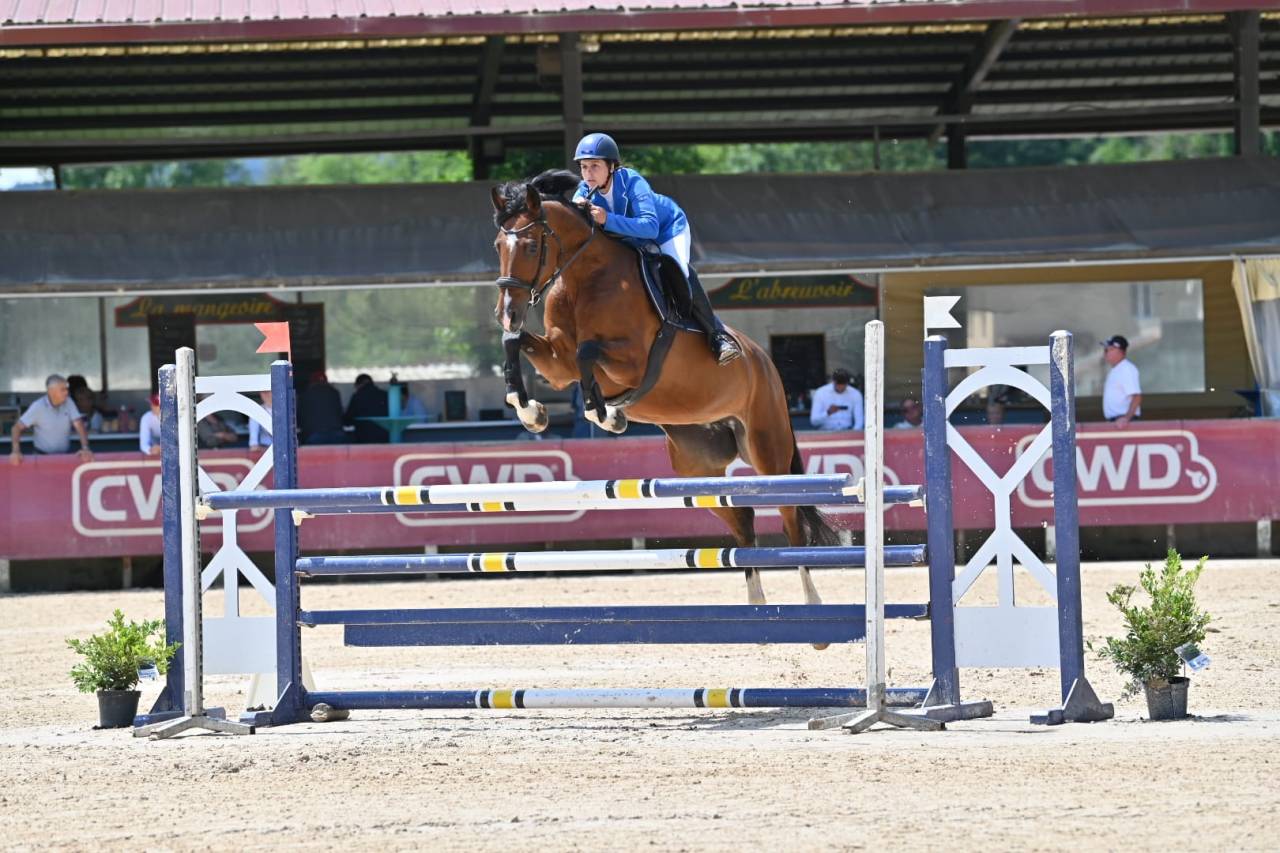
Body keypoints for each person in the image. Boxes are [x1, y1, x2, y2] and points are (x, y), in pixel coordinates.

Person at [571, 132, 742, 365]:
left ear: (611, 166)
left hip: (667, 230)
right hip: (631, 240)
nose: (588, 173)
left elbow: (650, 227)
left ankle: (718, 336)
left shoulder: (632, 182)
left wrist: (606, 219)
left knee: (678, 270)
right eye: (583, 167)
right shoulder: (583, 191)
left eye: (594, 166)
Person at [9, 374, 93, 464]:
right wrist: (15, 451)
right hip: (41, 458)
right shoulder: (38, 406)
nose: (67, 392)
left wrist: (85, 448)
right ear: (51, 391)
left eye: (67, 389)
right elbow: (16, 428)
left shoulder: (68, 402)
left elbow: (79, 425)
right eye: (63, 389)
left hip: (64, 457)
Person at [1101, 334, 1142, 428]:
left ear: (1121, 351)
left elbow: (1136, 397)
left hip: (1124, 422)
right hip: (1116, 421)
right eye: (1105, 350)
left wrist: (1126, 418)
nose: (1106, 352)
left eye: (1110, 349)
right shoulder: (1116, 369)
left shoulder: (1126, 368)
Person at [298, 371, 347, 445]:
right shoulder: (334, 392)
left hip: (314, 434)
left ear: (312, 381)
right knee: (336, 456)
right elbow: (340, 412)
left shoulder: (305, 394)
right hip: (336, 434)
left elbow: (300, 414)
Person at [344, 373, 389, 444]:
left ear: (359, 384)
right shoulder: (385, 395)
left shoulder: (357, 396)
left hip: (364, 438)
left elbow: (348, 419)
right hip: (384, 438)